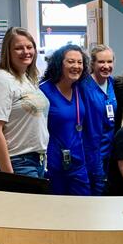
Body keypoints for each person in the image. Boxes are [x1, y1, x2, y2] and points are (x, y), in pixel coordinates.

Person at [0, 27, 49, 177]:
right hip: (16, 162)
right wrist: (9, 176)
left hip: (36, 160)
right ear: (8, 52)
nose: (26, 52)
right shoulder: (1, 80)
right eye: (19, 48)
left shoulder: (28, 78)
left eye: (29, 47)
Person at [40, 44, 91, 195]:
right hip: (54, 164)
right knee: (58, 212)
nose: (76, 66)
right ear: (59, 64)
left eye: (80, 62)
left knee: (83, 209)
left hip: (78, 163)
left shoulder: (79, 88)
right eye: (70, 61)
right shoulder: (43, 91)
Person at [79, 44, 117, 195]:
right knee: (96, 191)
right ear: (92, 64)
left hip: (109, 150)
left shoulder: (112, 84)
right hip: (91, 151)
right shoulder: (83, 86)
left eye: (109, 62)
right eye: (101, 62)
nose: (106, 66)